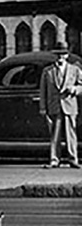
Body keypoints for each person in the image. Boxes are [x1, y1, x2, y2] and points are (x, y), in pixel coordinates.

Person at [38, 41, 82, 169]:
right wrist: (42, 107)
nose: (60, 57)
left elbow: (81, 85)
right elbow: (43, 91)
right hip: (54, 105)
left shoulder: (75, 70)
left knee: (71, 134)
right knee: (55, 134)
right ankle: (54, 159)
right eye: (57, 54)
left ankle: (73, 159)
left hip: (69, 105)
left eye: (63, 54)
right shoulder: (48, 71)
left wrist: (74, 89)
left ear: (67, 55)